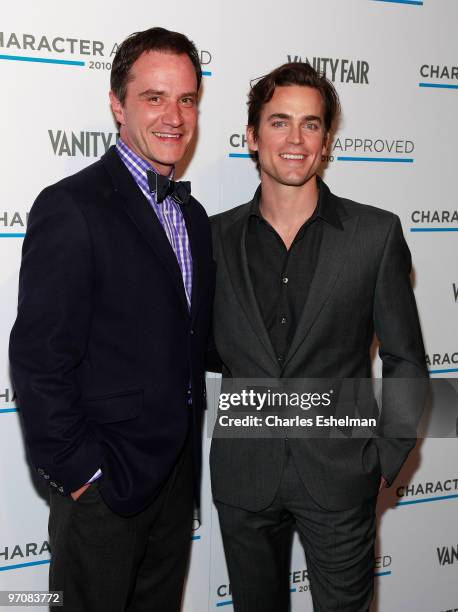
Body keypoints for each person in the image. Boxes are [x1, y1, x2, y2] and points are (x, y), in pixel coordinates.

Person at [9, 26, 214, 612]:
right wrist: (81, 473)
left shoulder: (193, 217)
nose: (173, 115)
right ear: (117, 104)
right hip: (104, 490)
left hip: (174, 488)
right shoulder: (70, 205)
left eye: (186, 99)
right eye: (154, 97)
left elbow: (188, 341)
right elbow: (38, 357)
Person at [209, 62, 427, 611]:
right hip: (244, 475)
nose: (295, 139)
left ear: (327, 140)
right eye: (279, 122)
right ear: (252, 136)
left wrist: (384, 455)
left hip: (341, 473)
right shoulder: (212, 238)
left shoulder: (375, 236)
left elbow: (405, 357)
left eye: (311, 124)